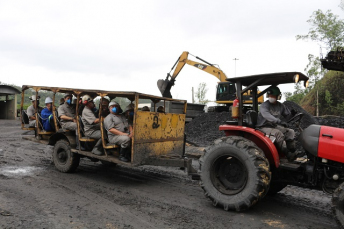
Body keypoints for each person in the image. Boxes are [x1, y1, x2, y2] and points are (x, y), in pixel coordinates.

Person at [256, 86, 297, 161]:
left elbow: (287, 116)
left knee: (290, 132)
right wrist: (279, 121)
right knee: (278, 134)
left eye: (273, 96)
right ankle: (286, 153)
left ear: (278, 96)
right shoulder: (264, 106)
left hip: (273, 126)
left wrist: (292, 114)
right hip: (263, 127)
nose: (271, 97)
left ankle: (292, 151)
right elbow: (267, 116)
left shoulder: (280, 106)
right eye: (270, 96)